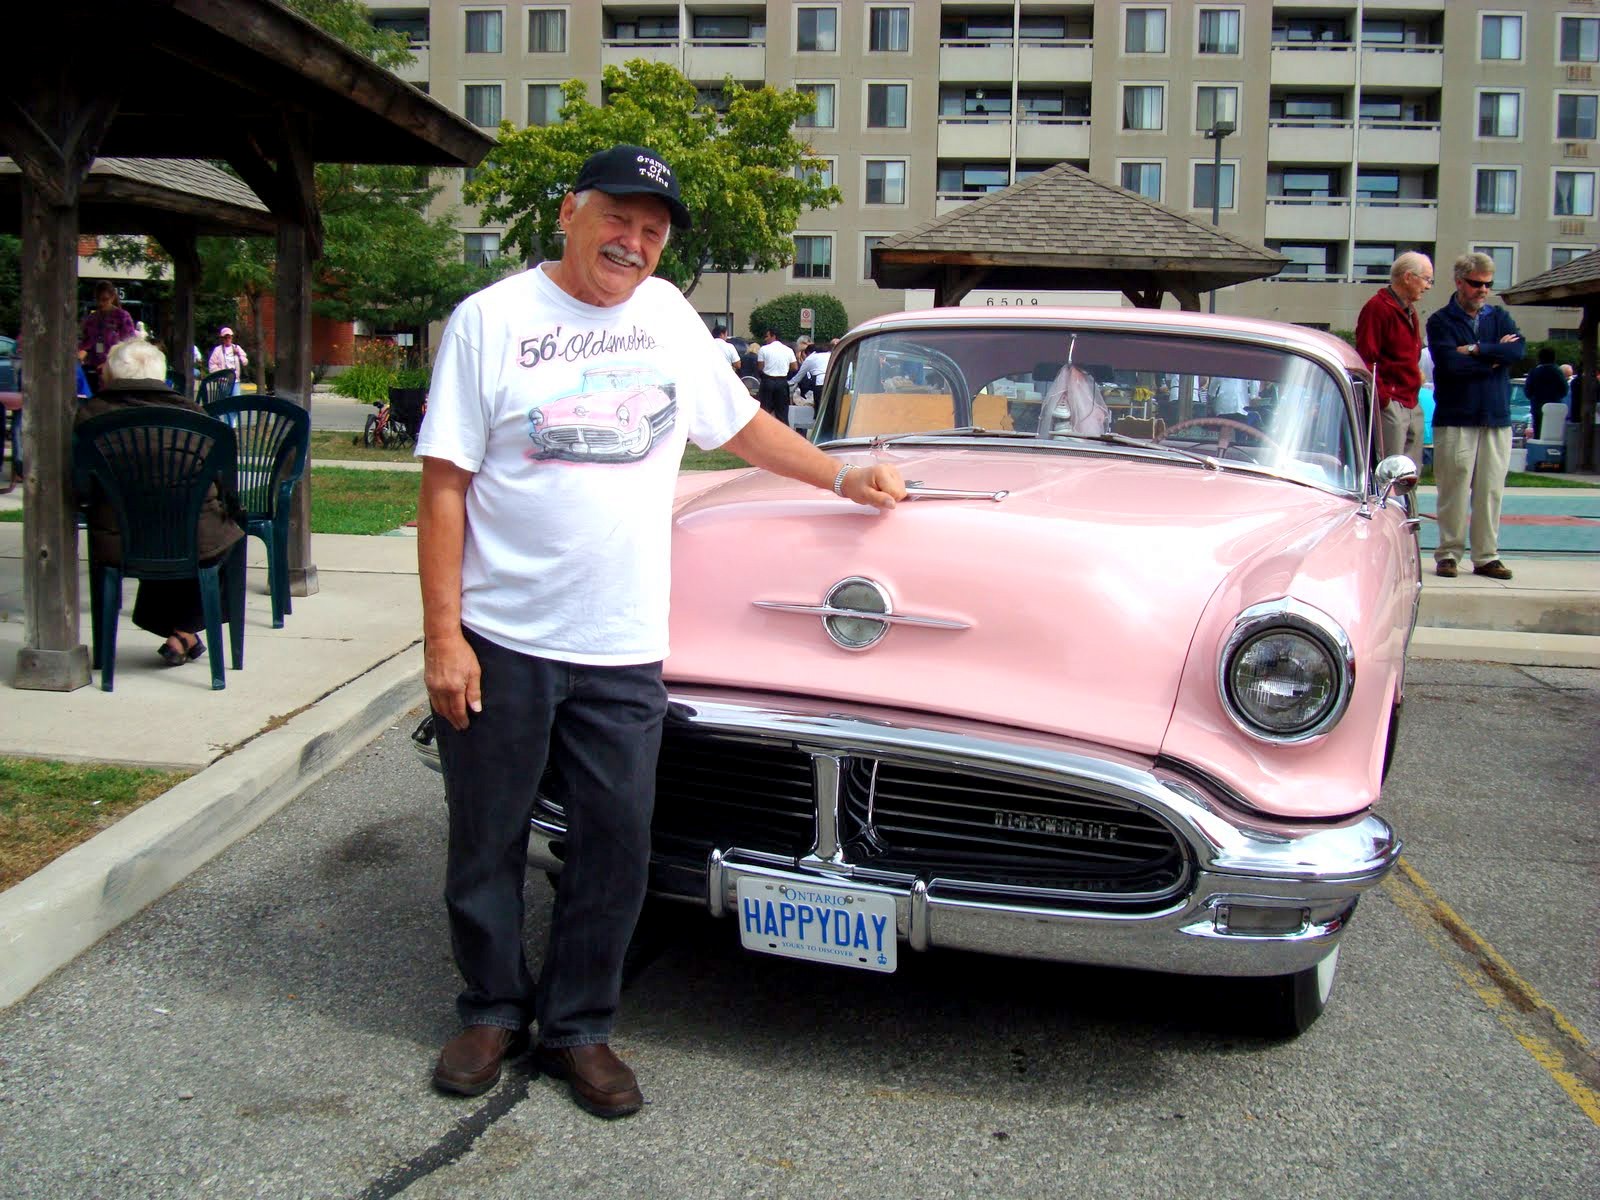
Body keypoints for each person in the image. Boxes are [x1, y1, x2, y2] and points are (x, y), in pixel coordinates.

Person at [415, 143, 906, 1119]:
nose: (632, 243)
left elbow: (738, 428)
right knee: (487, 839)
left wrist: (842, 477)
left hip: (622, 646)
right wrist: (442, 637)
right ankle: (490, 1008)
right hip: (502, 635)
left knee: (616, 842)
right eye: (616, 219)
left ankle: (579, 1027)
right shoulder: (490, 321)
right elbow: (443, 487)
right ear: (569, 213)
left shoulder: (670, 319)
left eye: (651, 229)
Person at [76, 338, 244, 665]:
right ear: (159, 375)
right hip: (191, 537)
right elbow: (223, 481)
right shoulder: (194, 416)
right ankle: (184, 631)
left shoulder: (87, 418)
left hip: (120, 541)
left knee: (162, 528)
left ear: (111, 374)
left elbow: (80, 488)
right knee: (222, 536)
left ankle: (180, 634)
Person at [1425, 252, 1523, 580]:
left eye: (1488, 284)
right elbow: (1449, 365)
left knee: (1491, 489)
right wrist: (1495, 355)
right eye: (1476, 284)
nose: (1482, 290)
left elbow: (1517, 352)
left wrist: (1477, 350)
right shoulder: (1441, 321)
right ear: (1459, 282)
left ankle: (1486, 556)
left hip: (1495, 416)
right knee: (1453, 487)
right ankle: (1449, 554)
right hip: (1456, 416)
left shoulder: (1500, 317)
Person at [1356, 251, 1432, 460]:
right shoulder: (1377, 308)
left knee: (1409, 471)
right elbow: (1366, 358)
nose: (1428, 286)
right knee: (1389, 468)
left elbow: (1411, 355)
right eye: (1426, 279)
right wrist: (1383, 400)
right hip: (1392, 402)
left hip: (1410, 399)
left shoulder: (1410, 311)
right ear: (1408, 277)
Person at [76, 281, 137, 394]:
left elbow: (129, 344)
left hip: (115, 368)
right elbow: (86, 343)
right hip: (94, 368)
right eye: (98, 299)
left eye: (105, 299)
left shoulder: (122, 316)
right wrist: (79, 356)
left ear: (112, 297)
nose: (101, 303)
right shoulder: (91, 318)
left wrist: (111, 362)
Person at [754, 326, 797, 427]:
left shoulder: (764, 349)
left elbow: (760, 367)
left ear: (773, 336)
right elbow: (794, 367)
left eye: (767, 336)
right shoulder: (788, 350)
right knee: (782, 412)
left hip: (768, 381)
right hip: (782, 382)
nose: (765, 339)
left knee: (765, 411)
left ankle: (763, 431)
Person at [1523, 348, 1567, 441]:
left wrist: (1534, 398)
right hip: (1555, 407)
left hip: (1537, 407)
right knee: (1554, 435)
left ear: (1539, 358)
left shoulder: (1534, 372)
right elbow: (1564, 390)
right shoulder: (1557, 372)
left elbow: (1527, 391)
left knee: (1538, 434)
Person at [207, 327, 248, 395]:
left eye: (229, 337)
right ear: (222, 339)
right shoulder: (218, 350)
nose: (227, 339)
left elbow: (245, 362)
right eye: (225, 337)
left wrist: (238, 354)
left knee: (236, 400)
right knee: (225, 401)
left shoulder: (237, 348)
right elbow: (211, 365)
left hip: (235, 381)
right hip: (223, 381)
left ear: (232, 338)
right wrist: (221, 373)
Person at [792, 337, 833, 403]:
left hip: (820, 384)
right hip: (833, 382)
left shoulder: (810, 358)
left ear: (807, 353)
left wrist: (788, 382)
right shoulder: (830, 354)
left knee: (818, 406)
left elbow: (798, 377)